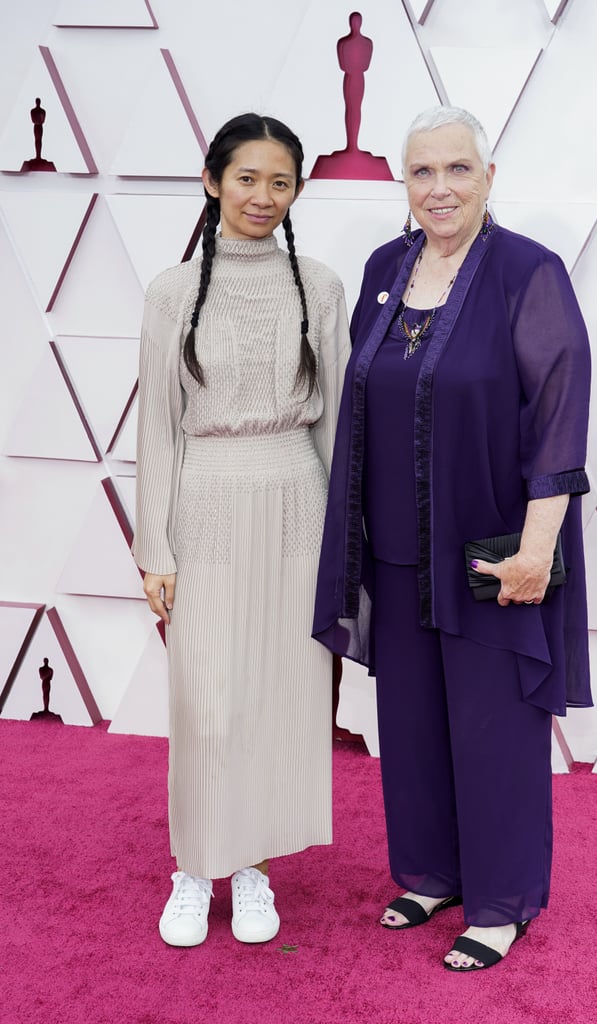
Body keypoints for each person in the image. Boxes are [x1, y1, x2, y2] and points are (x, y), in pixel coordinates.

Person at [313, 105, 592, 972]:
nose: (439, 188)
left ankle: (503, 900)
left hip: (490, 551)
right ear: (405, 183)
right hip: (394, 548)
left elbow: (558, 416)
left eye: (457, 170)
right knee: (414, 721)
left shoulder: (526, 272)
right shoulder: (385, 267)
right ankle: (432, 872)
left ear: (488, 177)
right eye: (422, 172)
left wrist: (538, 550)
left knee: (496, 726)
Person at [133, 113, 350, 948]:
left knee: (280, 701)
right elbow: (158, 425)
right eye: (248, 178)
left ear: (298, 190)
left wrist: (345, 544)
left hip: (300, 497)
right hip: (209, 500)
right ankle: (195, 868)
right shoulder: (171, 291)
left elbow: (339, 427)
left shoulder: (320, 287)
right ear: (213, 180)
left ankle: (254, 865)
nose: (263, 196)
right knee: (208, 704)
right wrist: (155, 546)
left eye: (280, 182)